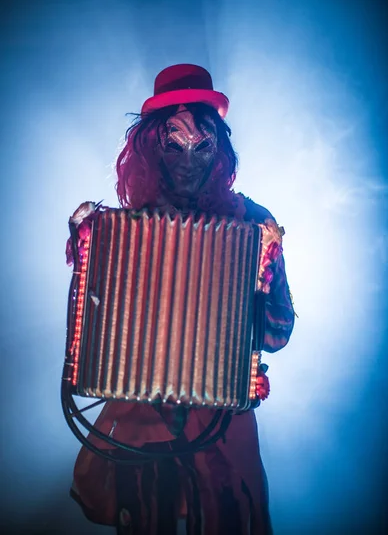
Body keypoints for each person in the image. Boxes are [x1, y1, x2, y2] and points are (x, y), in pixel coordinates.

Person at [68, 64, 295, 535]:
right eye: (174, 145)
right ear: (151, 146)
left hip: (222, 441)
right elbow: (90, 343)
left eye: (202, 145)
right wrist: (85, 249)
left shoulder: (254, 222)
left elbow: (276, 337)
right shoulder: (120, 231)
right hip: (141, 439)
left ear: (220, 150)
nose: (189, 160)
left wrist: (268, 269)